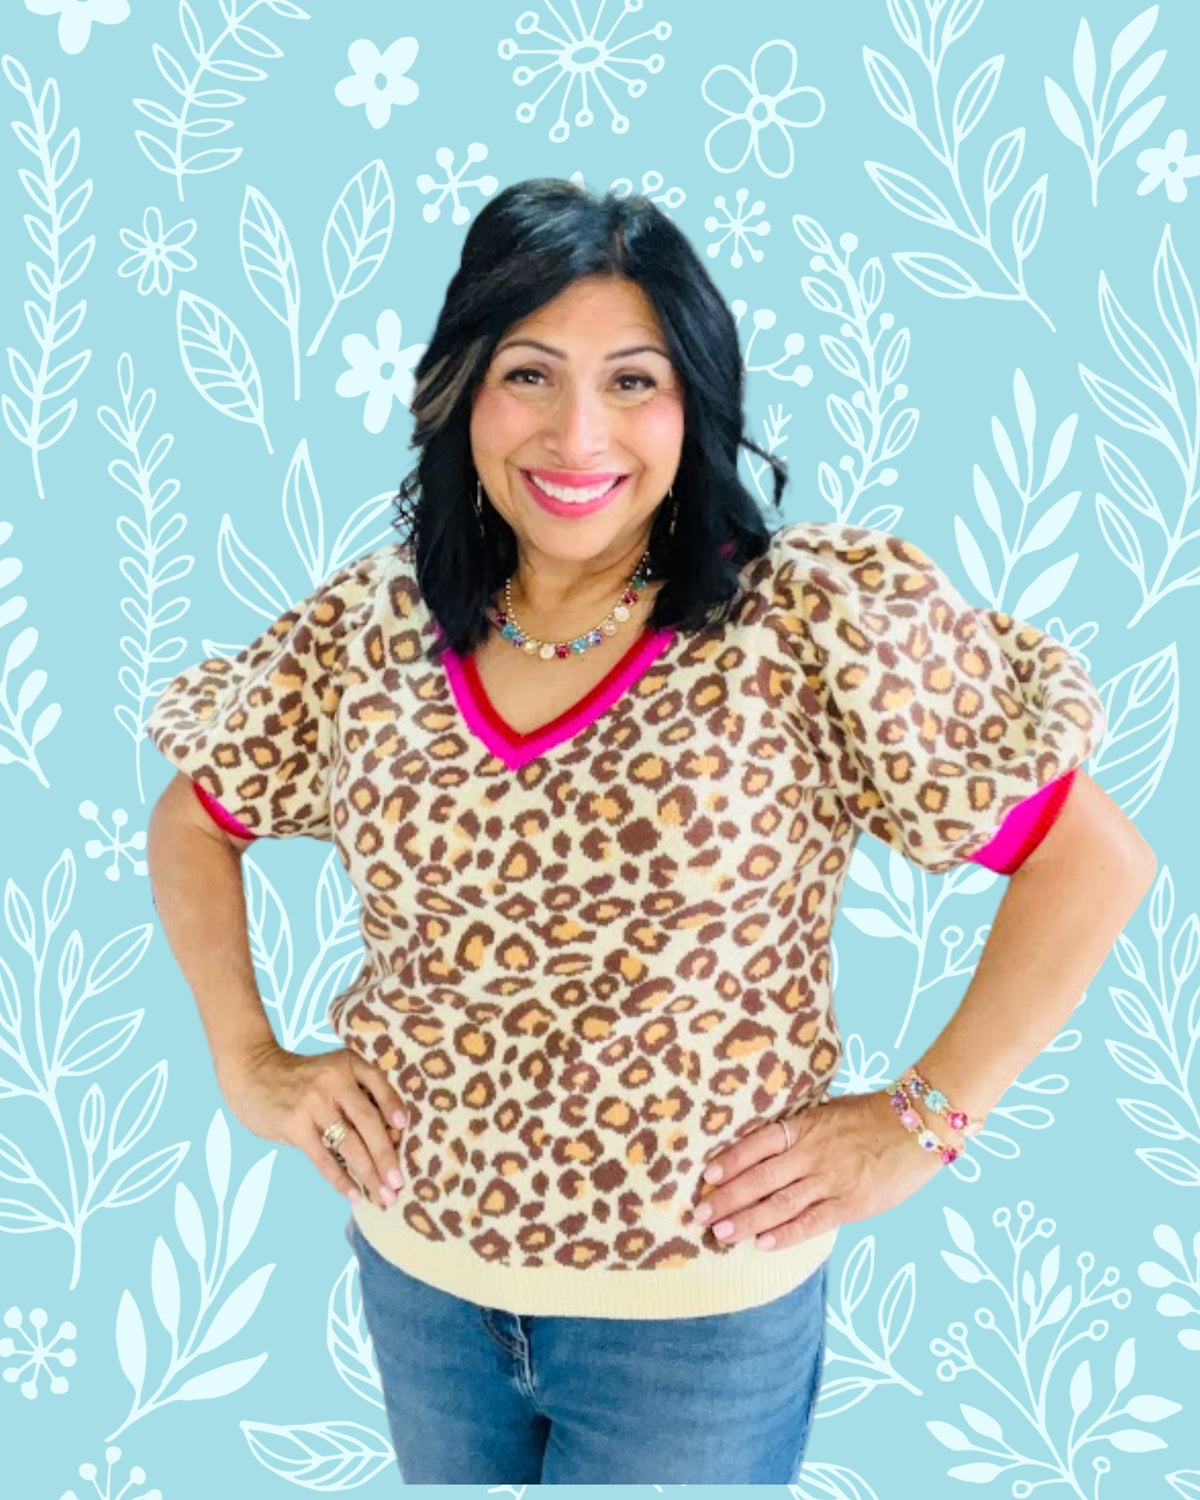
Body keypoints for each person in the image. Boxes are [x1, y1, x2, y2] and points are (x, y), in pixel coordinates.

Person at [145, 178, 1156, 1484]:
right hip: (421, 1280)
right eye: (529, 374)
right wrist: (247, 1059)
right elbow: (195, 814)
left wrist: (920, 1122)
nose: (577, 432)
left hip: (698, 1318)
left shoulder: (799, 627)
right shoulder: (372, 631)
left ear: (698, 405)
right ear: (460, 391)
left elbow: (1094, 857)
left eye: (634, 380)